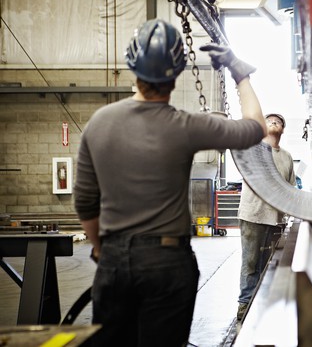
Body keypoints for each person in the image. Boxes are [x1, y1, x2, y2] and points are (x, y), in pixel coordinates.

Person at [73, 19, 267, 347]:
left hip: (115, 259)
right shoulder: (185, 126)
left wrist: (102, 250)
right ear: (176, 75)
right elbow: (255, 127)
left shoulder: (99, 123)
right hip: (167, 262)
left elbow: (85, 203)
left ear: (132, 66)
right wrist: (238, 71)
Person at [236, 113, 296, 321]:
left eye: (278, 121)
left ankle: (261, 304)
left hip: (276, 218)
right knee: (251, 263)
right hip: (254, 214)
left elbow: (291, 188)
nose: (274, 122)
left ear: (282, 129)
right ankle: (245, 305)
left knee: (268, 265)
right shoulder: (252, 150)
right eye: (269, 120)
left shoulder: (286, 156)